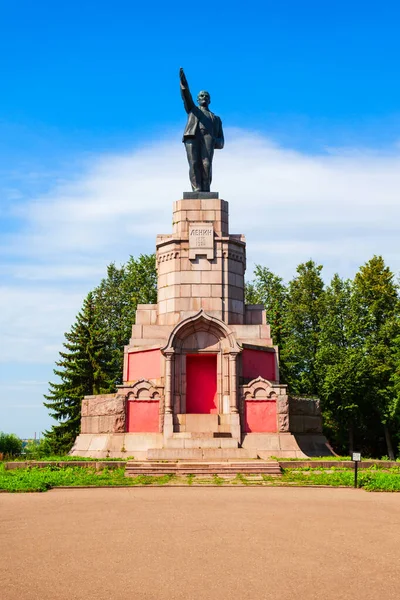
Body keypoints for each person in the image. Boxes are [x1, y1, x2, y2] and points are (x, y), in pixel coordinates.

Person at [179, 67, 224, 192]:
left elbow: (221, 141)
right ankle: (196, 189)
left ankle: (206, 188)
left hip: (207, 139)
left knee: (206, 165)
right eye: (201, 95)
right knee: (193, 163)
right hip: (192, 137)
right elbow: (186, 96)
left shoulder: (216, 119)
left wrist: (215, 140)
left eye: (206, 95)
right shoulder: (193, 110)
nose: (203, 97)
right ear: (198, 100)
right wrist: (183, 83)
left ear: (209, 100)